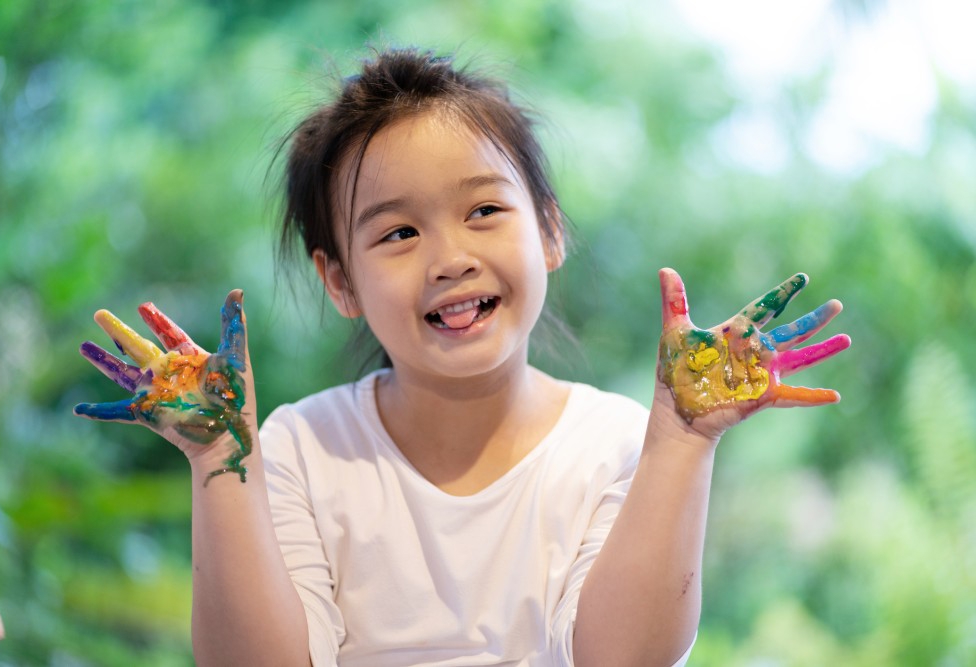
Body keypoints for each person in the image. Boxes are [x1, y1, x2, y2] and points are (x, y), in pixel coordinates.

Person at [73, 47, 851, 667]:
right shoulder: (300, 449)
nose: (449, 257)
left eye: (484, 210)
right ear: (339, 280)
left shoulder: (615, 444)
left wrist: (682, 440)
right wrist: (219, 460)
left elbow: (624, 658)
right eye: (398, 233)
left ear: (549, 230)